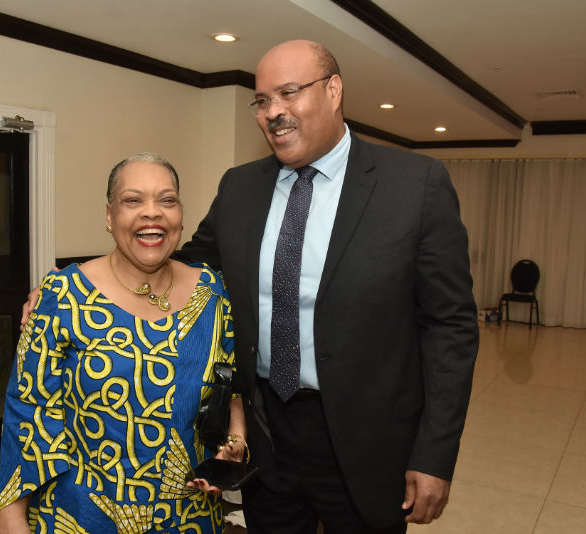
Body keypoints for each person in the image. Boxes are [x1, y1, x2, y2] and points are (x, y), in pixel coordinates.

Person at [175, 40, 479, 533]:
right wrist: (91, 281)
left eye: (289, 93)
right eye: (262, 100)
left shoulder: (414, 185)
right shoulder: (239, 187)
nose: (273, 112)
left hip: (368, 440)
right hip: (266, 433)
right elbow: (189, 269)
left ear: (333, 90)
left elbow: (450, 327)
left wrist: (435, 454)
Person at [0, 153, 247, 533]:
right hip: (81, 514)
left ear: (181, 215)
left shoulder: (213, 293)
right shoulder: (63, 296)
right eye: (133, 200)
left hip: (188, 515)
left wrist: (235, 443)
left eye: (167, 200)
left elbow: (231, 385)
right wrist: (11, 515)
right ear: (109, 216)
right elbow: (27, 410)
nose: (153, 212)